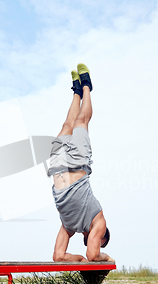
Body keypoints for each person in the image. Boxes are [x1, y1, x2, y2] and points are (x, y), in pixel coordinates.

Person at [48, 63, 114, 262]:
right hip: (73, 164)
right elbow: (93, 254)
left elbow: (58, 257)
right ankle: (86, 85)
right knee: (80, 122)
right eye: (98, 241)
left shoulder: (69, 226)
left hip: (59, 165)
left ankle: (77, 91)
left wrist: (80, 261)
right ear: (101, 235)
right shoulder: (98, 220)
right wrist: (107, 258)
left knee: (68, 125)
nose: (92, 242)